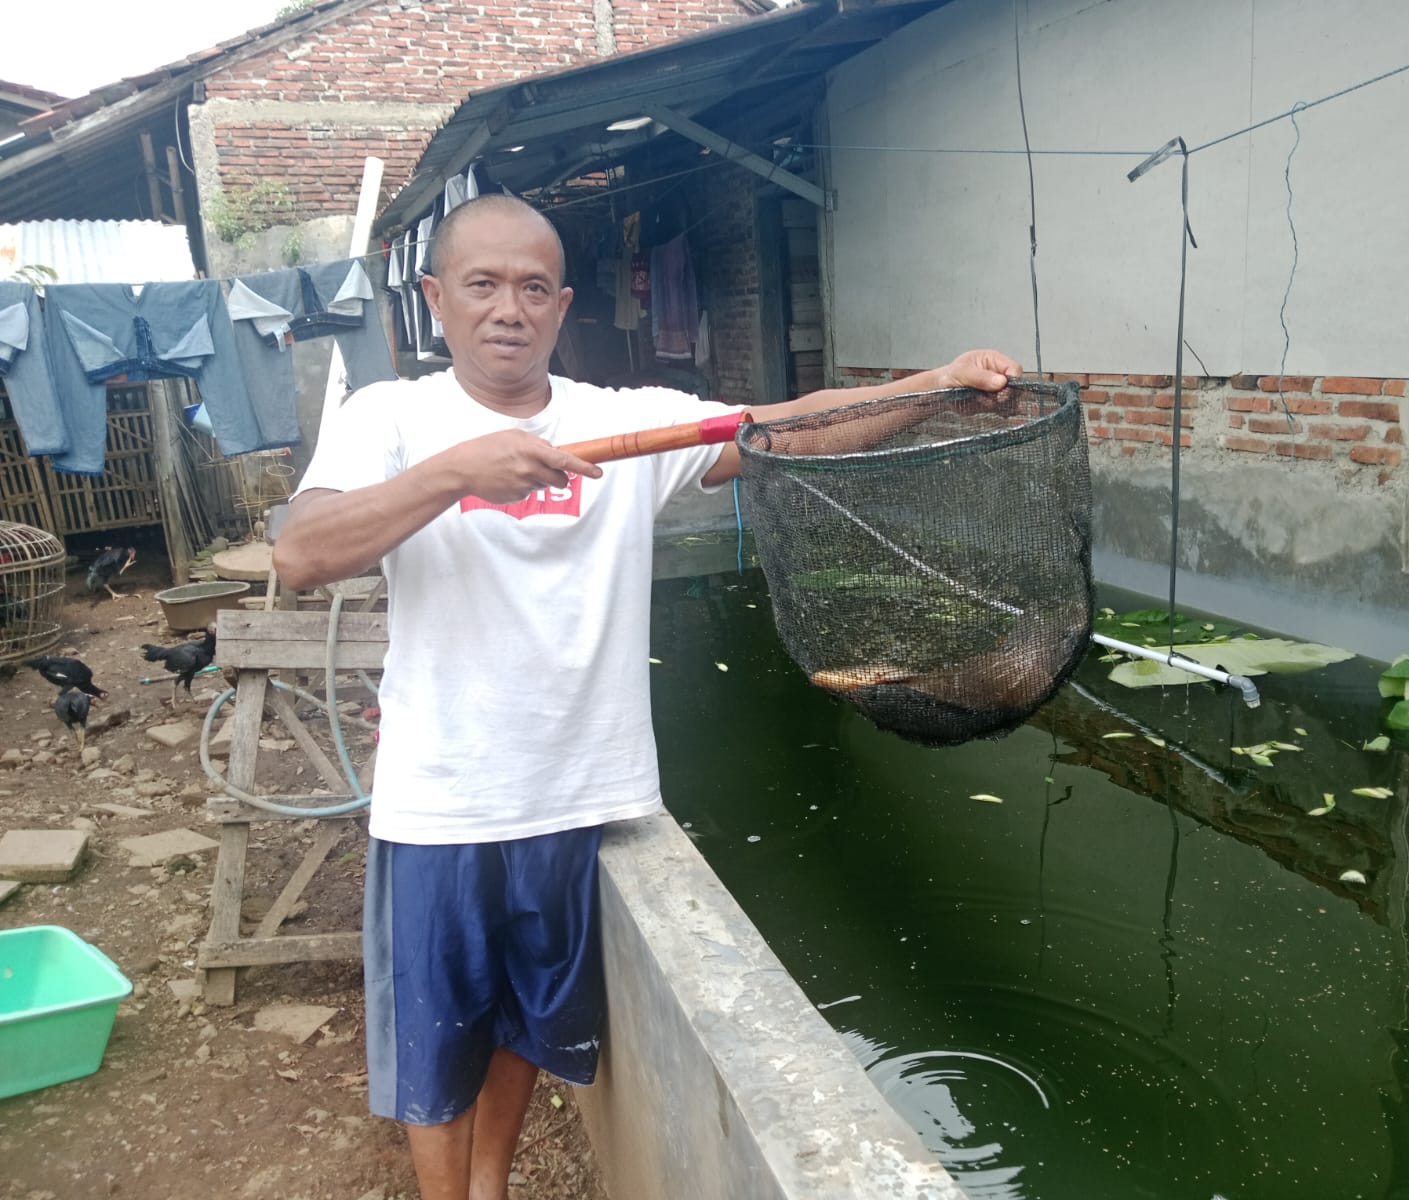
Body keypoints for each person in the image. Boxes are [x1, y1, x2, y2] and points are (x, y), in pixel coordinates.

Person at [272, 192, 1020, 1200]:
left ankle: (487, 1186)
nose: (508, 308)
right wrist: (456, 474)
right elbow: (304, 553)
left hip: (577, 798)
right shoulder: (392, 418)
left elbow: (783, 433)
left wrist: (934, 384)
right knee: (438, 1045)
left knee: (525, 1026)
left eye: (532, 287)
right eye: (483, 285)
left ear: (562, 302)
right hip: (442, 802)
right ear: (434, 299)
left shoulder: (623, 426)